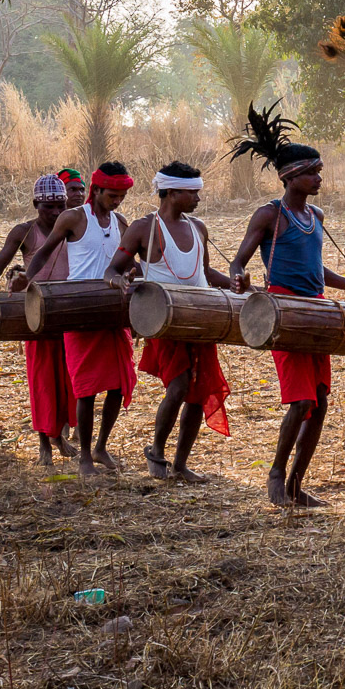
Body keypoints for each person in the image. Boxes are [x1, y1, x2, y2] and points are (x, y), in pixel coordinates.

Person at [227, 103, 345, 507]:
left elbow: (319, 272)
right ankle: (276, 475)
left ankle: (298, 485)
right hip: (282, 312)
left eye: (319, 171)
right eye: (311, 172)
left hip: (317, 310)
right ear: (289, 176)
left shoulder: (315, 214)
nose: (318, 178)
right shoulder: (270, 214)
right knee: (301, 401)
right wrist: (238, 276)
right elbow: (239, 260)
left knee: (318, 403)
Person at [103, 162, 233, 481]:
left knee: (198, 393)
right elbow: (113, 269)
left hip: (202, 317)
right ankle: (156, 451)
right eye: (193, 193)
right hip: (164, 320)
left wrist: (235, 284)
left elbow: (204, 273)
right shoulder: (144, 228)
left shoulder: (199, 227)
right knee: (178, 386)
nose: (198, 199)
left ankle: (180, 464)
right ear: (172, 193)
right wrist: (119, 282)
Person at [15, 162, 139, 477]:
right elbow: (44, 253)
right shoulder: (73, 218)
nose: (118, 201)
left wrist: (133, 276)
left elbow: (127, 262)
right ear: (97, 190)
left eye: (122, 195)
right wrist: (27, 281)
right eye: (113, 195)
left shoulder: (121, 222)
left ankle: (100, 447)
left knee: (118, 386)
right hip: (80, 309)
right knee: (85, 389)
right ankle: (84, 456)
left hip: (113, 311)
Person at [0, 175, 77, 465]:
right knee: (42, 380)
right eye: (48, 207)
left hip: (67, 309)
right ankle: (45, 447)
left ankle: (59, 435)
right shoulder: (25, 232)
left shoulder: (72, 227)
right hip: (35, 311)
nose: (55, 212)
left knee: (69, 379)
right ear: (36, 204)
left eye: (60, 205)